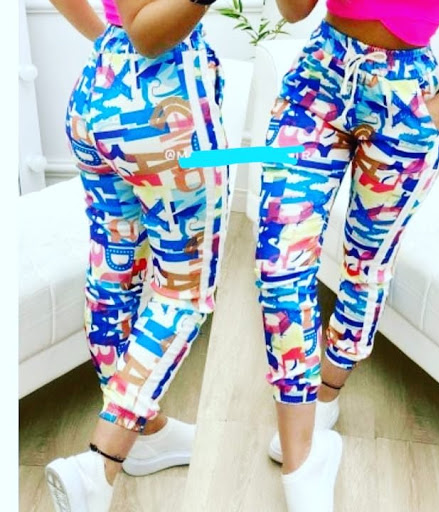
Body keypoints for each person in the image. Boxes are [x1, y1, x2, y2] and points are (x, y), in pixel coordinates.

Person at [254, 0, 439, 510]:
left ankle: (325, 395)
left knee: (367, 266)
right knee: (279, 264)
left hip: (405, 103)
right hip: (318, 83)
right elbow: (294, 11)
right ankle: (303, 461)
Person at [44, 0, 225, 511]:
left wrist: (110, 38)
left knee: (113, 266)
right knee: (184, 290)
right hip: (165, 105)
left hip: (100, 88)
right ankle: (102, 461)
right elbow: (148, 35)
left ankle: (146, 432)